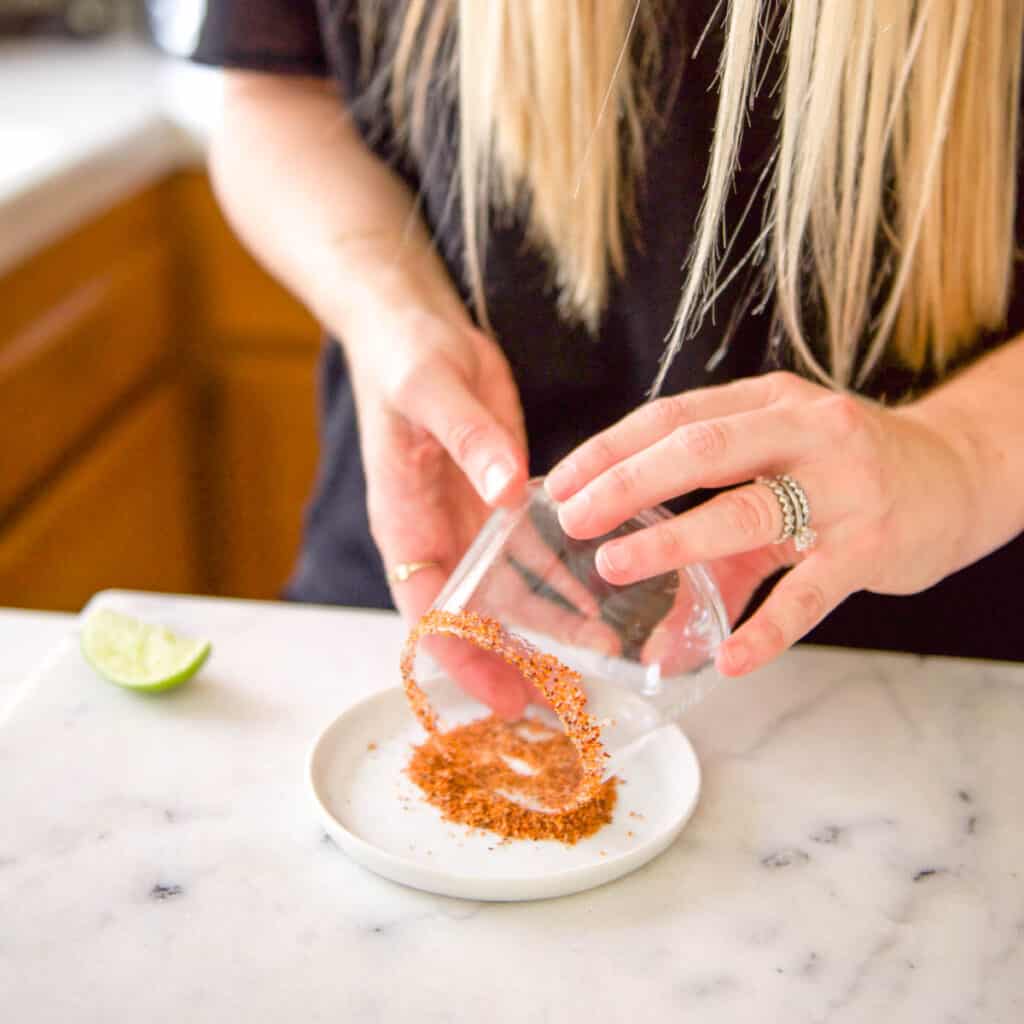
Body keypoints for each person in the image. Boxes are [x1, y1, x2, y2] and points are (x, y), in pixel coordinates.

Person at [192, 1, 1024, 713]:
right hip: (430, 562)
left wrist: (961, 456)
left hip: (918, 673)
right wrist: (390, 311)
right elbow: (273, 94)